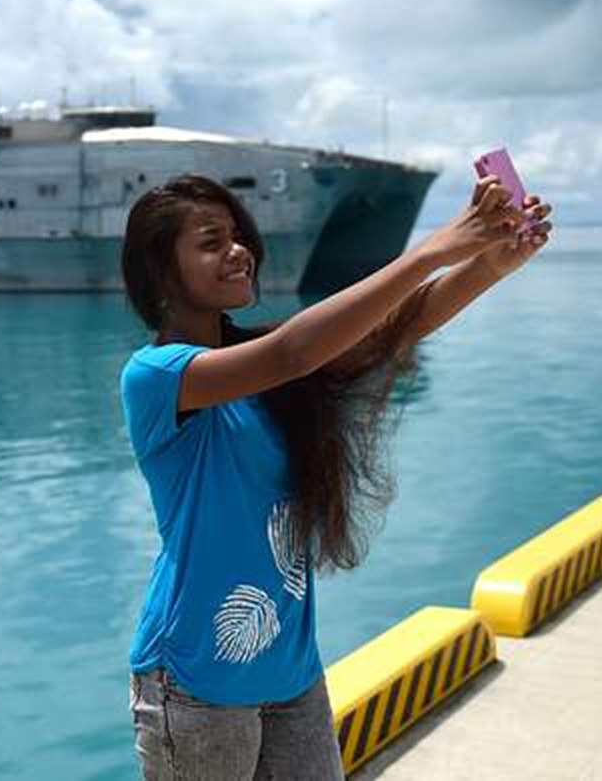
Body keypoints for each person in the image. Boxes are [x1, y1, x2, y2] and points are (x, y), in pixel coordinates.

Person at [119, 173, 552, 780]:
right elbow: (296, 350)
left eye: (238, 235)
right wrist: (433, 249)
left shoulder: (265, 378)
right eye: (212, 241)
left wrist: (492, 263)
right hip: (195, 681)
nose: (239, 249)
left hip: (290, 671)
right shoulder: (158, 377)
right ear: (160, 270)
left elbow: (396, 327)